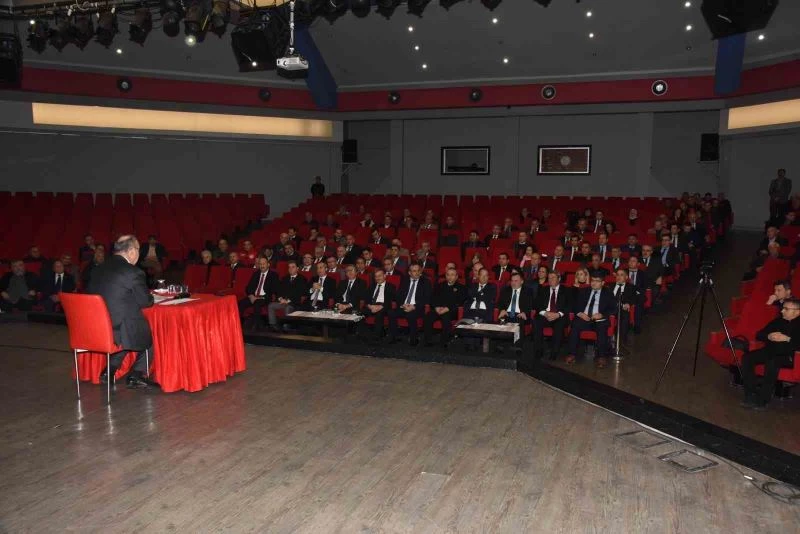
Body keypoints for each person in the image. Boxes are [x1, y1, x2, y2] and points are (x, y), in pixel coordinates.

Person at [87, 235, 153, 389]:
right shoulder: (133, 272)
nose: (139, 254)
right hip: (118, 328)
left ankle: (108, 372)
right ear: (131, 251)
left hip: (96, 326)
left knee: (127, 335)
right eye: (138, 250)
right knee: (146, 336)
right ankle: (136, 375)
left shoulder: (97, 269)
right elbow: (145, 302)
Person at [741, 298, 800, 410]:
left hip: (790, 356)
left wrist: (787, 339)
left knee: (772, 362)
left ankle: (763, 400)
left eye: (786, 309)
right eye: (782, 308)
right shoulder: (778, 321)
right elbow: (759, 334)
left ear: (797, 312)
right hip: (770, 350)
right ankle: (751, 394)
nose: (782, 311)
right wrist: (769, 336)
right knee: (747, 358)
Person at [566, 274, 615, 368]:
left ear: (603, 283)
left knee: (602, 329)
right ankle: (572, 354)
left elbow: (613, 308)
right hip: (584, 318)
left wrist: (602, 315)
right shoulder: (583, 291)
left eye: (597, 281)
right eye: (592, 280)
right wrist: (580, 313)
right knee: (574, 326)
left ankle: (601, 356)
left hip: (599, 319)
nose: (594, 283)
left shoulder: (608, 293)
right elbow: (574, 305)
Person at [388, 264, 431, 345]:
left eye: (418, 271)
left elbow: (427, 298)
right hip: (404, 306)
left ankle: (414, 338)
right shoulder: (405, 281)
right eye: (414, 271)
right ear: (409, 273)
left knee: (411, 315)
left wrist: (414, 306)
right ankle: (395, 336)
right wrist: (402, 304)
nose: (417, 273)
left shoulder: (425, 282)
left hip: (417, 307)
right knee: (391, 312)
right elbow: (398, 295)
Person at [423, 268, 467, 347]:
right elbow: (432, 298)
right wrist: (436, 307)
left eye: (452, 275)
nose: (450, 277)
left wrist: (447, 308)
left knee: (446, 317)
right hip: (438, 309)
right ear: (445, 276)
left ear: (456, 277)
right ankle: (428, 340)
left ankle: (444, 341)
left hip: (451, 310)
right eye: (448, 275)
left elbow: (460, 301)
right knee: (428, 316)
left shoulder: (461, 288)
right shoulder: (439, 285)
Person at [533, 271, 571, 359]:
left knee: (559, 325)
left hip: (559, 316)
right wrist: (545, 313)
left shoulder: (566, 290)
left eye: (553, 277)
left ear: (559, 279)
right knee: (536, 322)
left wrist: (558, 314)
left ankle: (554, 352)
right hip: (545, 315)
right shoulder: (543, 289)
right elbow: (536, 304)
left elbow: (569, 305)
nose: (550, 280)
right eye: (549, 278)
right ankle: (538, 350)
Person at [238, 256, 278, 329]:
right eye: (260, 264)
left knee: (257, 303)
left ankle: (256, 326)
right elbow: (248, 287)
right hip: (253, 296)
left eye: (264, 264)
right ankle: (239, 324)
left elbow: (274, 290)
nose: (262, 266)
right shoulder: (256, 274)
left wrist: (259, 297)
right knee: (240, 303)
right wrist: (251, 295)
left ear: (268, 264)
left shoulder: (273, 275)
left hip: (264, 297)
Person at [267, 261, 307, 331]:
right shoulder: (284, 278)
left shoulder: (302, 279)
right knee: (271, 305)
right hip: (283, 302)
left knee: (288, 308)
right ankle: (273, 325)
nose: (290, 269)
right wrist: (280, 299)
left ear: (297, 268)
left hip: (293, 302)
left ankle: (286, 328)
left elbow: (299, 293)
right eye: (289, 267)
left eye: (293, 267)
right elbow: (279, 291)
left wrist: (288, 301)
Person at [359, 268, 396, 341]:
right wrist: (370, 306)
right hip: (372, 305)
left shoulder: (390, 286)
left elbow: (390, 300)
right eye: (376, 276)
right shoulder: (372, 286)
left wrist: (380, 307)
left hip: (384, 306)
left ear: (384, 276)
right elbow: (366, 298)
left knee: (379, 314)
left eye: (380, 276)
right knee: (360, 312)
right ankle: (362, 334)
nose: (378, 278)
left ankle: (377, 336)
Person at [611, 268, 637, 343]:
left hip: (622, 309)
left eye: (621, 275)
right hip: (609, 308)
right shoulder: (609, 286)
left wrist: (629, 303)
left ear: (626, 277)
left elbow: (635, 298)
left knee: (625, 315)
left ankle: (622, 340)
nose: (619, 277)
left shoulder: (631, 287)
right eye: (617, 275)